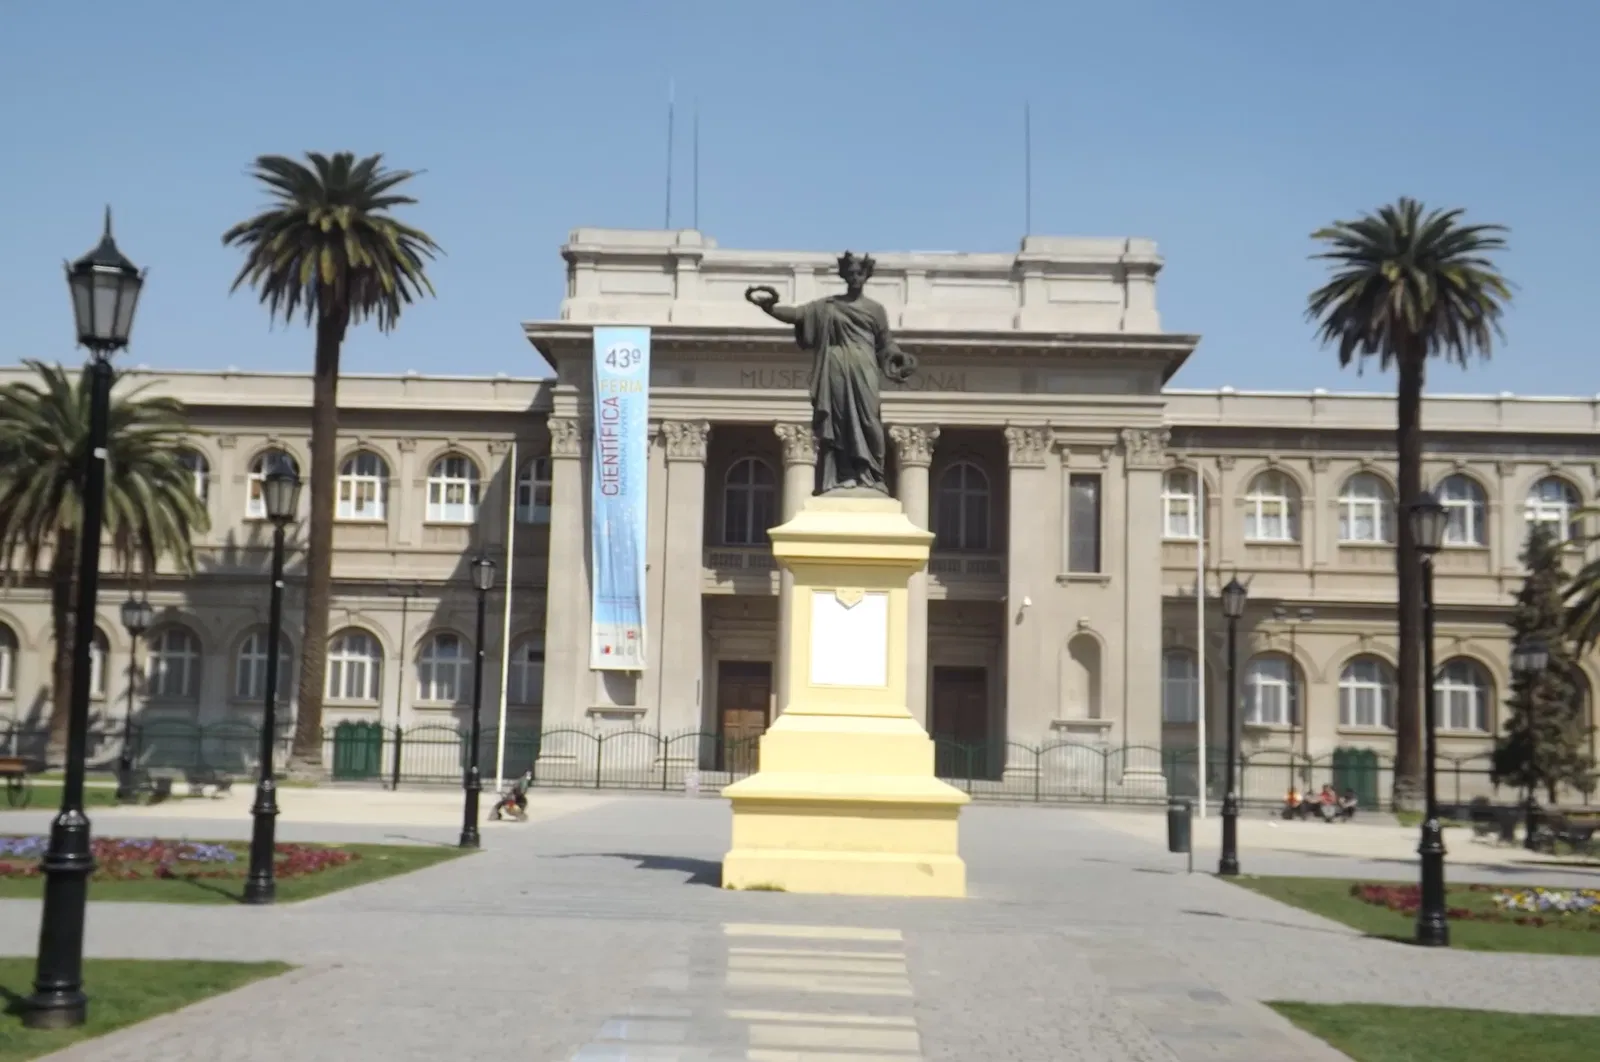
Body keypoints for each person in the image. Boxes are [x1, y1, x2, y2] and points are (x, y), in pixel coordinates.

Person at [746, 252, 917, 494]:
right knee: (839, 422)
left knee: (869, 421)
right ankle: (843, 474)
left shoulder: (875, 310)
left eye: (859, 273)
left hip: (864, 368)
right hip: (835, 369)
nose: (855, 278)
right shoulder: (828, 306)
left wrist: (897, 356)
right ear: (845, 276)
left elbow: (885, 343)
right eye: (851, 274)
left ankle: (871, 474)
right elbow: (797, 315)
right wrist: (769, 308)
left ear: (866, 276)